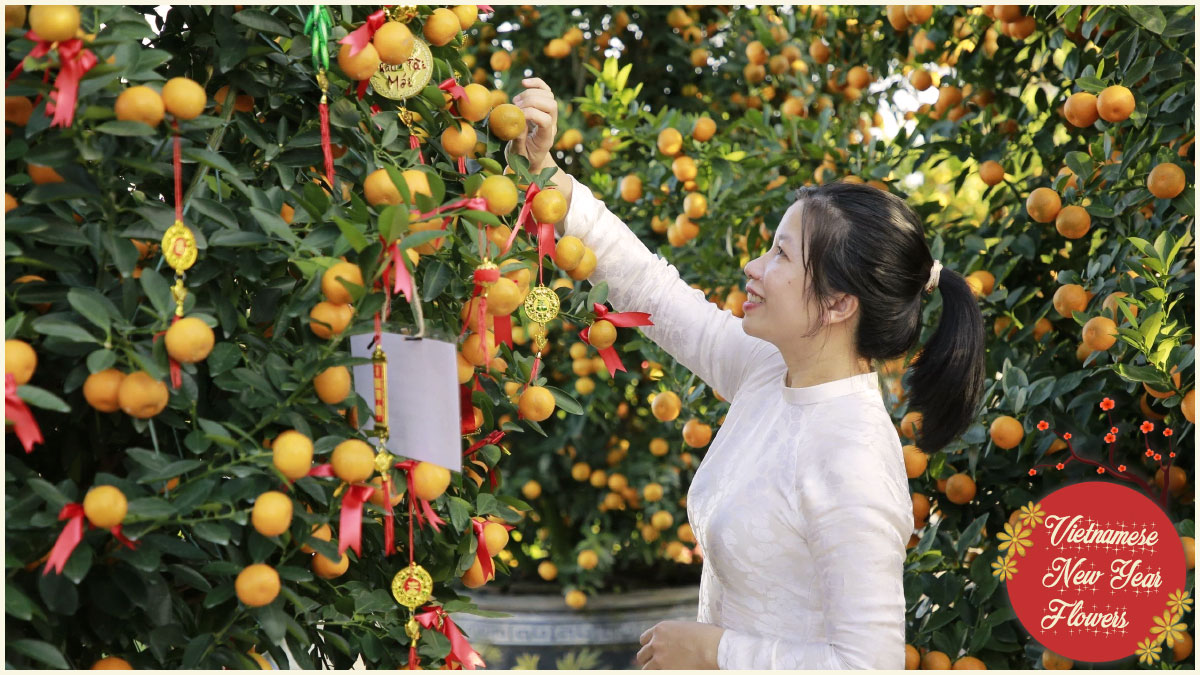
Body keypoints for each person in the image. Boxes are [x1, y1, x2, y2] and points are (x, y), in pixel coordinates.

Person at [507, 78, 986, 670]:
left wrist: (718, 651)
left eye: (782, 255)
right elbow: (654, 292)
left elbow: (870, 664)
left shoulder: (852, 456)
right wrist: (548, 174)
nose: (753, 267)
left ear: (839, 305)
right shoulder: (772, 371)